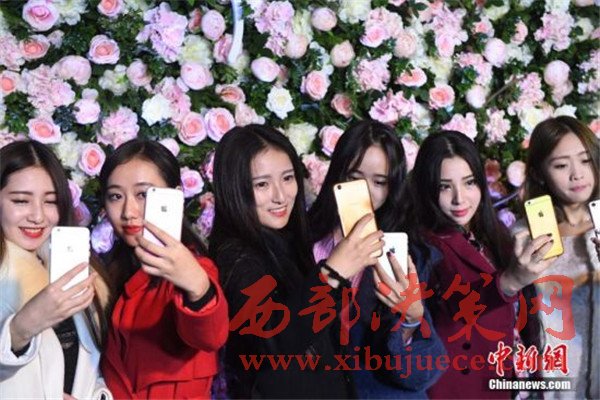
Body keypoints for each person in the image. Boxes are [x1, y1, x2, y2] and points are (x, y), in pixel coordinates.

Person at [209, 124, 384, 398]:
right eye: (262, 184)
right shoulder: (235, 256)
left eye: (288, 178)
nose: (280, 196)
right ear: (235, 188)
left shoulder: (289, 242)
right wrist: (332, 273)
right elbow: (271, 341)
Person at [404, 131, 554, 399]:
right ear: (426, 188)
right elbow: (458, 305)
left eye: (469, 182)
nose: (459, 198)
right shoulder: (422, 247)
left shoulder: (491, 235)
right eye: (444, 186)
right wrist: (509, 282)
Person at [308, 120, 445, 398]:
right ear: (337, 176)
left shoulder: (408, 253)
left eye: (379, 182)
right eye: (354, 177)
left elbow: (423, 373)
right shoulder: (305, 243)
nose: (367, 191)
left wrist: (412, 319)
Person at [98, 139, 228, 399]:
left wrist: (198, 288)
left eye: (143, 195)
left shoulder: (196, 270)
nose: (128, 211)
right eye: (116, 196)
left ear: (175, 197)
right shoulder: (112, 272)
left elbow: (209, 335)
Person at [0, 140, 111, 399]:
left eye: (50, 201)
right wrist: (20, 329)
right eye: (21, 200)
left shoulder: (74, 265)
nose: (38, 216)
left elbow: (92, 370)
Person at [515, 116, 599, 399]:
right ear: (539, 174)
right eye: (562, 165)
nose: (577, 174)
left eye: (586, 160)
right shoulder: (526, 237)